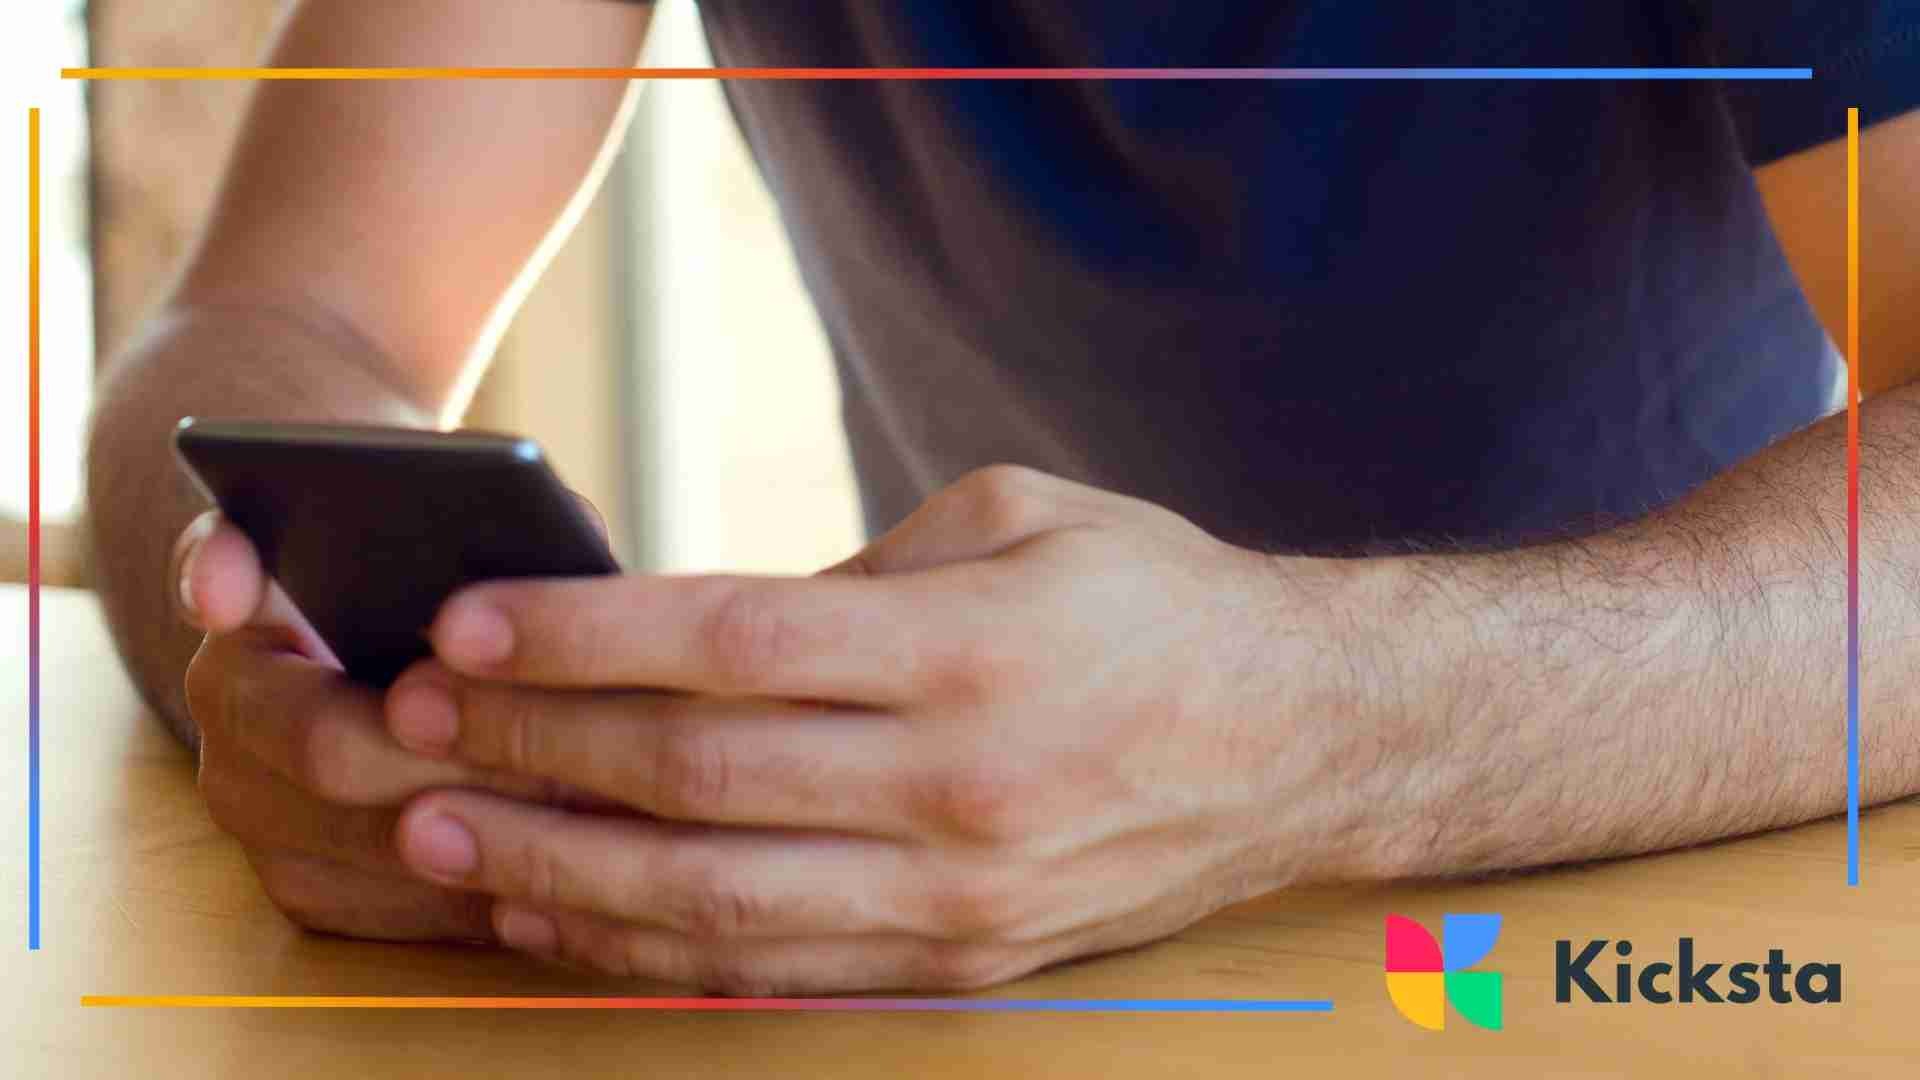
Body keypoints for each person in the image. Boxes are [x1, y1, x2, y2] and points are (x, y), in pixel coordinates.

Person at [87, 1, 1920, 995]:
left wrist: (1325, 728)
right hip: (976, 982)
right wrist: (289, 664)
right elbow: (271, 318)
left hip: (1626, 956)